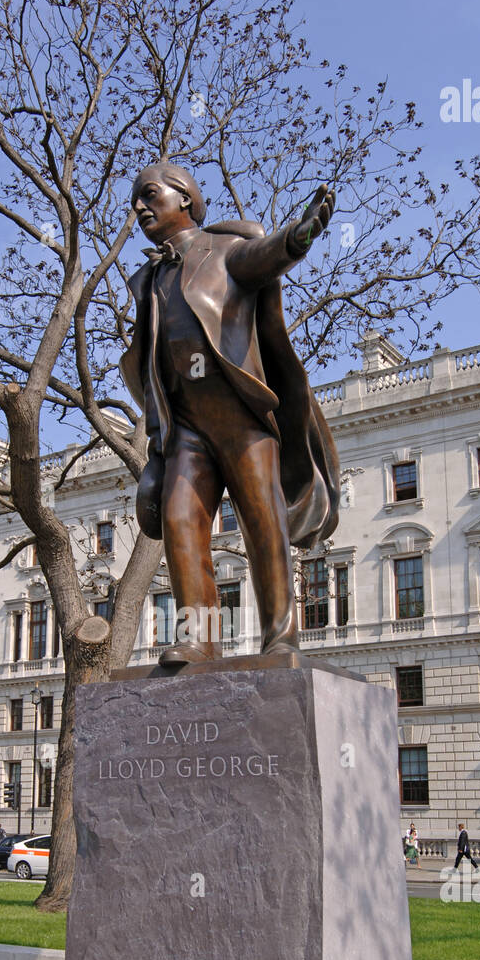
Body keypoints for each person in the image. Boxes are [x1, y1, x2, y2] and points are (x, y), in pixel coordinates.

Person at [121, 162, 340, 665]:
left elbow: (266, 256)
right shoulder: (149, 281)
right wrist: (159, 436)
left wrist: (297, 237)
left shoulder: (224, 251)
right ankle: (199, 640)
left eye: (150, 195)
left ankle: (281, 637)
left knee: (265, 523)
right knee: (180, 523)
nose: (139, 208)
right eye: (136, 200)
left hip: (241, 421)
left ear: (186, 200)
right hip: (186, 429)